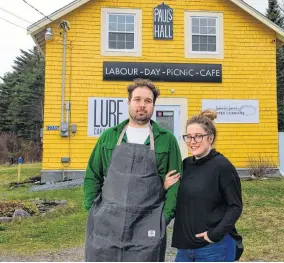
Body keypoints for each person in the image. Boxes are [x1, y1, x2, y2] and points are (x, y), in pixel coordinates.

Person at [84, 78, 182, 262]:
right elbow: (92, 176)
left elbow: (176, 182)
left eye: (148, 101)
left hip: (148, 222)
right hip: (107, 223)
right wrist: (92, 211)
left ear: (153, 105)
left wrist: (163, 219)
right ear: (129, 102)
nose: (142, 105)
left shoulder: (166, 140)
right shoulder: (109, 137)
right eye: (137, 99)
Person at [166, 109, 243, 262]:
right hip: (184, 249)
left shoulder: (222, 166)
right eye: (189, 137)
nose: (192, 141)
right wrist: (165, 185)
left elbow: (235, 206)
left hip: (213, 248)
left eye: (198, 136)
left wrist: (213, 235)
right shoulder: (185, 165)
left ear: (210, 138)